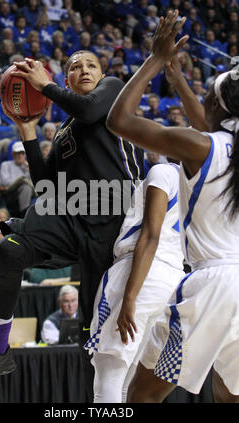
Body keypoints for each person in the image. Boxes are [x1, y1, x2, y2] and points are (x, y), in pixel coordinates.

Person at [0, 50, 143, 398]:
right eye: (74, 67)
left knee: (94, 341)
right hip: (74, 217)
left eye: (90, 65)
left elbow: (87, 108)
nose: (83, 70)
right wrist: (27, 131)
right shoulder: (66, 129)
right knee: (8, 253)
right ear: (66, 79)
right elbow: (46, 186)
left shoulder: (114, 91)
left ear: (101, 74)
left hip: (116, 221)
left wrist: (46, 84)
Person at [106, 10, 239, 403]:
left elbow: (120, 119)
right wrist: (179, 78)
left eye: (207, 97)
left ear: (216, 106)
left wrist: (156, 59)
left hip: (213, 284)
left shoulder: (202, 147)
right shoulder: (221, 146)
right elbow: (209, 126)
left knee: (141, 397)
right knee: (229, 395)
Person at [85, 160, 184, 402]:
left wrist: (130, 296)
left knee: (109, 374)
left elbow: (150, 235)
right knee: (130, 384)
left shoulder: (164, 172)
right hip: (174, 279)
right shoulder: (201, 187)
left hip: (140, 270)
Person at [0, 141, 35, 216]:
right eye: (18, 153)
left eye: (22, 153)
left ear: (25, 155)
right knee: (24, 183)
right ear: (13, 154)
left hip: (27, 193)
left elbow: (35, 183)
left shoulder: (28, 167)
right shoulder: (6, 165)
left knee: (26, 187)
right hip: (9, 193)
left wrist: (30, 172)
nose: (20, 156)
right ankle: (24, 214)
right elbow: (5, 182)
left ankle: (24, 213)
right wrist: (20, 181)